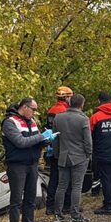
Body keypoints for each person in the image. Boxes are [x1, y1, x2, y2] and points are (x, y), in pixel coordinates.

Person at [1, 97, 54, 222]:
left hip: (32, 163)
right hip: (17, 165)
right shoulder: (10, 122)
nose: (35, 113)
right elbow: (21, 142)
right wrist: (40, 137)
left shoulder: (32, 122)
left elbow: (36, 141)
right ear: (24, 107)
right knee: (16, 200)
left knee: (30, 198)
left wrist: (47, 140)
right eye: (33, 109)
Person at [53, 93, 93, 222]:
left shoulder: (58, 118)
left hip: (63, 156)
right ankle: (75, 214)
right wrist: (88, 154)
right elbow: (88, 141)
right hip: (79, 156)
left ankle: (58, 214)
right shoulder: (83, 119)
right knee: (77, 186)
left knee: (61, 185)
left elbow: (55, 139)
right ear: (82, 104)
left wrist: (57, 154)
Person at [44, 86, 73, 215]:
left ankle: (50, 206)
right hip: (64, 149)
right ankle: (66, 205)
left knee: (54, 178)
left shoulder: (51, 110)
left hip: (52, 148)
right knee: (67, 177)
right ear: (66, 97)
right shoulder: (65, 111)